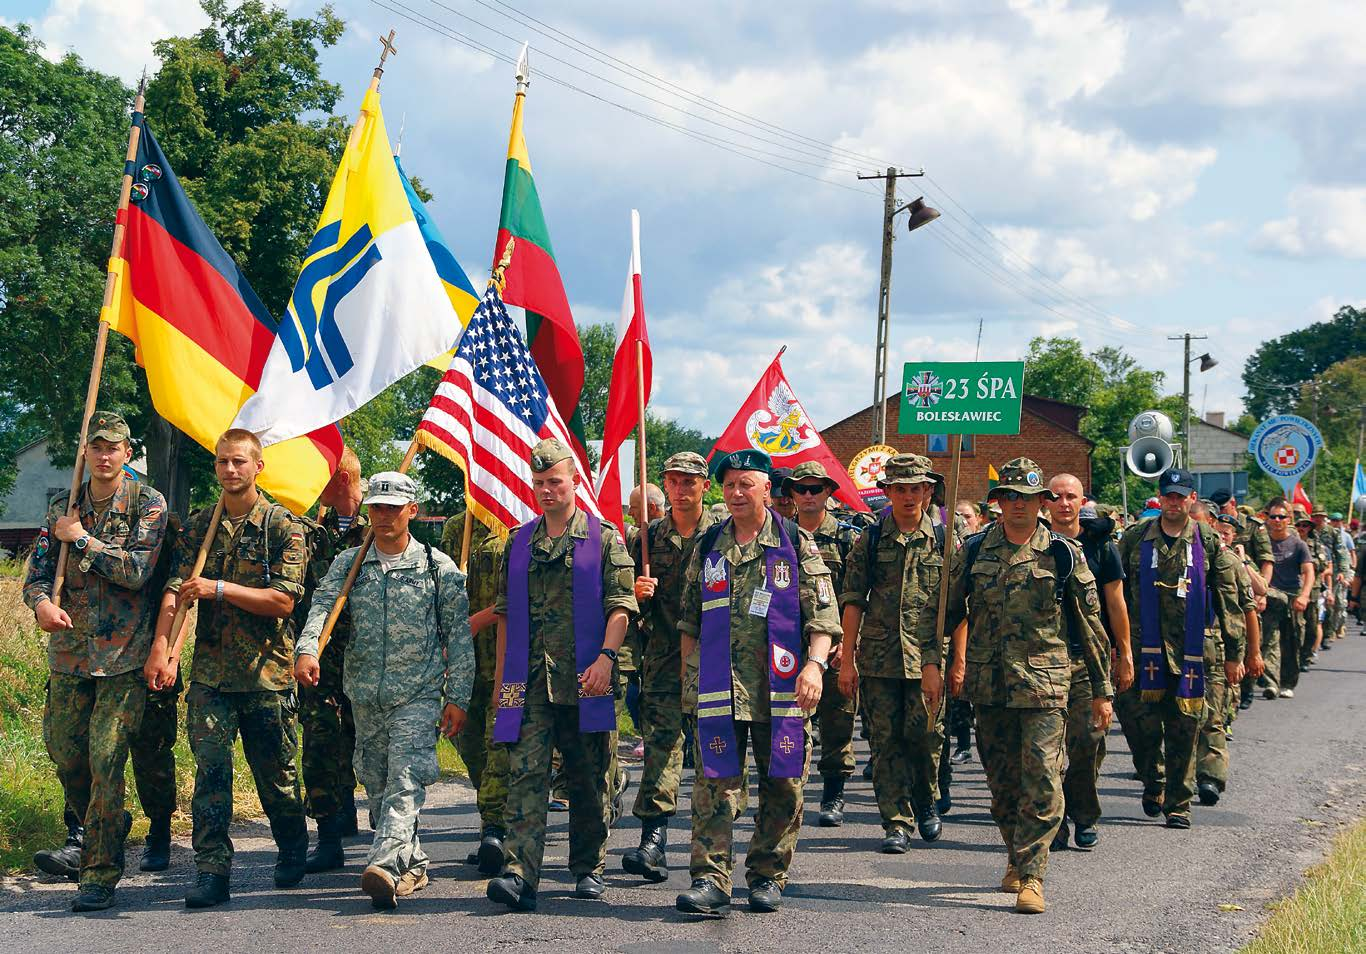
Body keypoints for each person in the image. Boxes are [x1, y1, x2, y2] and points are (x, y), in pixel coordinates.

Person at [934, 458, 1112, 915]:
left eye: (1028, 498)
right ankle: (1015, 850)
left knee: (1043, 778)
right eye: (1010, 497)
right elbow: (947, 612)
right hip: (989, 686)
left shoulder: (1063, 553)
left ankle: (1033, 874)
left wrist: (1102, 689)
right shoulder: (974, 551)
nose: (1018, 505)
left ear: (1042, 503)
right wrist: (933, 664)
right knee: (1003, 784)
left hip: (1046, 685)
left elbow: (1090, 625)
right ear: (999, 503)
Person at [145, 429, 309, 909]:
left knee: (275, 775)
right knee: (211, 775)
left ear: (258, 467)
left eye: (239, 462)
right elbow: (176, 589)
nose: (230, 470)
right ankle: (212, 870)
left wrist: (218, 588)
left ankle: (293, 845)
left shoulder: (282, 527)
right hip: (212, 676)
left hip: (266, 675)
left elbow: (282, 600)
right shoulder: (200, 525)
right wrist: (162, 648)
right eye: (222, 462)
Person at [295, 471, 474, 909]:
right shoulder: (351, 563)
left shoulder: (436, 567)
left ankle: (385, 863)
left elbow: (458, 636)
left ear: (412, 510)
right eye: (376, 507)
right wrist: (308, 650)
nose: (383, 516)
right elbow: (321, 607)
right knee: (376, 783)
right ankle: (411, 864)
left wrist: (458, 697)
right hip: (364, 695)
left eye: (393, 508)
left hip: (418, 694)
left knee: (406, 778)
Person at [673, 449, 840, 916]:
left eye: (746, 484)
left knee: (783, 785)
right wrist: (692, 675)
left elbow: (823, 615)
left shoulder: (795, 542)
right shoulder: (709, 546)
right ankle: (711, 880)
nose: (736, 493)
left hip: (780, 688)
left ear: (768, 488)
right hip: (719, 688)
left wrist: (815, 666)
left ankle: (767, 875)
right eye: (728, 486)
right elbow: (689, 620)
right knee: (713, 785)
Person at [23, 411, 170, 912]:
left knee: (107, 761)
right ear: (86, 452)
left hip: (123, 658)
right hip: (69, 657)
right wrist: (42, 604)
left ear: (128, 453)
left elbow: (135, 572)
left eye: (114, 448)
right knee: (66, 752)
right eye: (97, 447)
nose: (105, 456)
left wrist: (82, 539)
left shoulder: (148, 504)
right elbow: (37, 574)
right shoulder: (63, 505)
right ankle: (100, 825)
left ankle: (99, 871)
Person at [485, 438, 638, 912]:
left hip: (585, 677)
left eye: (555, 481)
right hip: (527, 680)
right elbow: (507, 613)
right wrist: (500, 685)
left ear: (574, 481)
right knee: (525, 774)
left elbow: (621, 606)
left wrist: (606, 659)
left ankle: (588, 865)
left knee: (588, 775)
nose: (547, 490)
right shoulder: (520, 541)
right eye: (539, 483)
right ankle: (518, 874)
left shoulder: (604, 538)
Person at [1117, 468, 1243, 830]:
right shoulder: (1136, 537)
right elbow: (1115, 593)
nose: (1173, 502)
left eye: (1180, 496)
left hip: (1190, 654)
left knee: (1185, 730)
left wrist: (1235, 652)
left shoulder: (1208, 539)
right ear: (1161, 498)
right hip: (1142, 652)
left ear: (1192, 499)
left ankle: (1178, 803)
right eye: (1168, 496)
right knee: (1138, 728)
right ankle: (1153, 779)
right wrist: (1115, 644)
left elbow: (1228, 596)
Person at [838, 453, 946, 853]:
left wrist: (950, 662)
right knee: (885, 743)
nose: (907, 496)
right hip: (880, 659)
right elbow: (853, 600)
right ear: (887, 492)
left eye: (915, 488)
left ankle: (926, 798)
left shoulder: (946, 541)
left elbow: (957, 607)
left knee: (925, 737)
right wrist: (847, 660)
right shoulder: (870, 538)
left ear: (928, 491)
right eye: (899, 489)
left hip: (927, 659)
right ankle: (896, 821)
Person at [623, 452, 720, 883]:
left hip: (712, 662)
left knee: (712, 757)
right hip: (661, 661)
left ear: (704, 486)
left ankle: (712, 848)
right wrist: (635, 591)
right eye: (674, 482)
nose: (681, 490)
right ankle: (653, 840)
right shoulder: (644, 540)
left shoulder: (720, 538)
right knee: (660, 752)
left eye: (689, 482)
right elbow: (618, 594)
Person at [1044, 476, 1134, 852]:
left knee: (1087, 742)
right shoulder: (1035, 542)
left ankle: (1084, 812)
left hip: (1087, 659)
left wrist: (1124, 652)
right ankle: (1056, 821)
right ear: (1046, 502)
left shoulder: (1101, 547)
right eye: (1057, 497)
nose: (1064, 503)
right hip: (1043, 660)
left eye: (1071, 497)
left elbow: (1116, 603)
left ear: (1083, 501)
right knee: (1046, 751)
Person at [296, 447, 369, 873]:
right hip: (322, 660)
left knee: (370, 743)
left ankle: (389, 829)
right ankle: (328, 834)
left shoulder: (379, 525)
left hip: (368, 658)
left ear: (340, 479)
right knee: (321, 743)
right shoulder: (312, 531)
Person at [782, 462, 860, 828]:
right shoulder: (782, 536)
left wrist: (849, 643)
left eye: (816, 489)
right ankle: (789, 794)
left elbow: (859, 594)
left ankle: (833, 794)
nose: (808, 495)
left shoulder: (847, 538)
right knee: (792, 723)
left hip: (837, 646)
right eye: (801, 489)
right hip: (788, 648)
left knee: (838, 722)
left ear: (829, 492)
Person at [441, 510, 508, 873]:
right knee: (469, 745)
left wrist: (478, 620)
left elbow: (526, 596)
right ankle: (493, 823)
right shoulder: (457, 527)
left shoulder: (517, 525)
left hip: (508, 657)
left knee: (500, 746)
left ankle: (497, 832)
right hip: (468, 662)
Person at [1196, 514, 1264, 803]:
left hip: (1217, 645)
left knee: (1213, 714)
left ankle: (1210, 776)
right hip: (1172, 647)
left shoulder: (1226, 560)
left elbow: (1249, 606)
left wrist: (1252, 653)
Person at [1258, 498, 1314, 699]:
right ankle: (1271, 682)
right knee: (1268, 638)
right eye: (1273, 516)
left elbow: (1308, 572)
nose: (1277, 520)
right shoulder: (1262, 540)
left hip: (1291, 597)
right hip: (1269, 597)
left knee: (1291, 641)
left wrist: (1305, 595)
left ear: (1288, 519)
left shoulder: (1298, 544)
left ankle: (1288, 682)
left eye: (1281, 517)